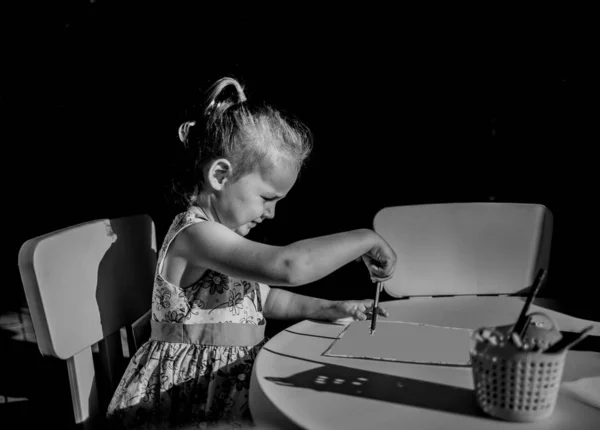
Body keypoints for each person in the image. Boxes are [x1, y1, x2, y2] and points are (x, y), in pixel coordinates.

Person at [106, 77, 397, 429]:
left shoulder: (225, 239)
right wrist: (365, 238)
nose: (271, 213)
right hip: (186, 399)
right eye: (266, 198)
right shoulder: (196, 236)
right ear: (220, 175)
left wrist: (329, 308)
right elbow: (287, 266)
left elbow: (266, 299)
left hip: (228, 387)